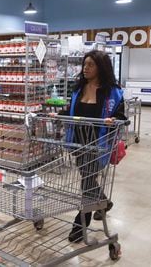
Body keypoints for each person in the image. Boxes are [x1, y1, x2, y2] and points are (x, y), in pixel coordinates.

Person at [56, 50, 126, 243]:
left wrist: (114, 119)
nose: (85, 68)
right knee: (86, 177)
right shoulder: (78, 88)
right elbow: (72, 110)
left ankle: (80, 225)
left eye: (90, 65)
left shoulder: (113, 91)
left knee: (86, 182)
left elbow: (121, 116)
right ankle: (104, 202)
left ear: (101, 68)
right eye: (84, 64)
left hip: (99, 144)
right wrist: (59, 115)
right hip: (78, 141)